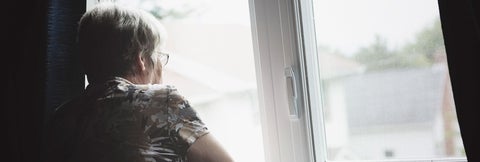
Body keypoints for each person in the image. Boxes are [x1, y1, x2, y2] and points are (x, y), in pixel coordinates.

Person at [44, 2, 234, 162]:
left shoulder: (60, 118)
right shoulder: (162, 103)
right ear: (141, 59)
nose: (161, 65)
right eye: (159, 55)